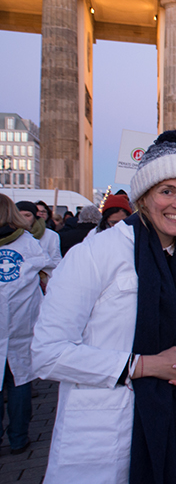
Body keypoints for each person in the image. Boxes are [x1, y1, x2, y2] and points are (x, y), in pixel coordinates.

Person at [31, 131, 176, 484]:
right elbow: (46, 354)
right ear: (144, 196)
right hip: (107, 437)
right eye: (167, 190)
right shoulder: (96, 253)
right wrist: (144, 366)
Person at [0, 195, 49, 456]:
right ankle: (18, 439)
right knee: (19, 382)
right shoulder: (27, 243)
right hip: (20, 324)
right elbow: (45, 266)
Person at [16, 201, 61, 279]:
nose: (23, 219)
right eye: (20, 216)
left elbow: (56, 259)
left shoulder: (50, 235)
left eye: (27, 215)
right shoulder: (10, 235)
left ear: (34, 216)